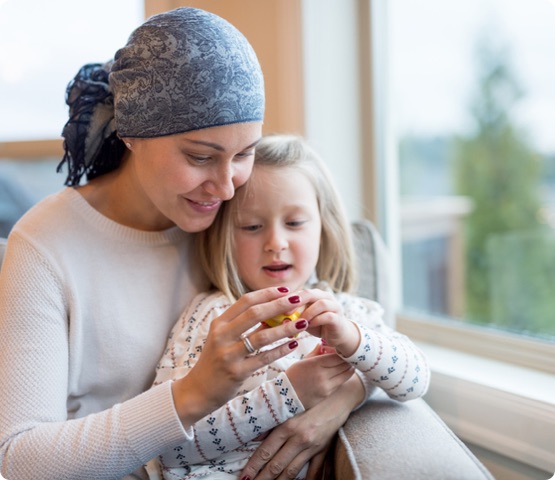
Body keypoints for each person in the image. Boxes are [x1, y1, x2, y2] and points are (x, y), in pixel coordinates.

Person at [0, 9, 349, 480]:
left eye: (243, 153)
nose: (226, 187)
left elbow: (354, 315)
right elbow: (19, 458)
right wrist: (192, 394)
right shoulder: (44, 248)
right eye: (200, 156)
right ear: (131, 136)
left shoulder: (236, 219)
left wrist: (345, 395)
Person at [145, 134, 430, 479]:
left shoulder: (347, 313)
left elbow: (415, 380)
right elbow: (168, 450)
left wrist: (354, 342)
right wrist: (288, 394)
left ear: (324, 230)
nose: (276, 243)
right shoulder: (214, 316)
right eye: (252, 226)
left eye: (294, 223)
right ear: (223, 236)